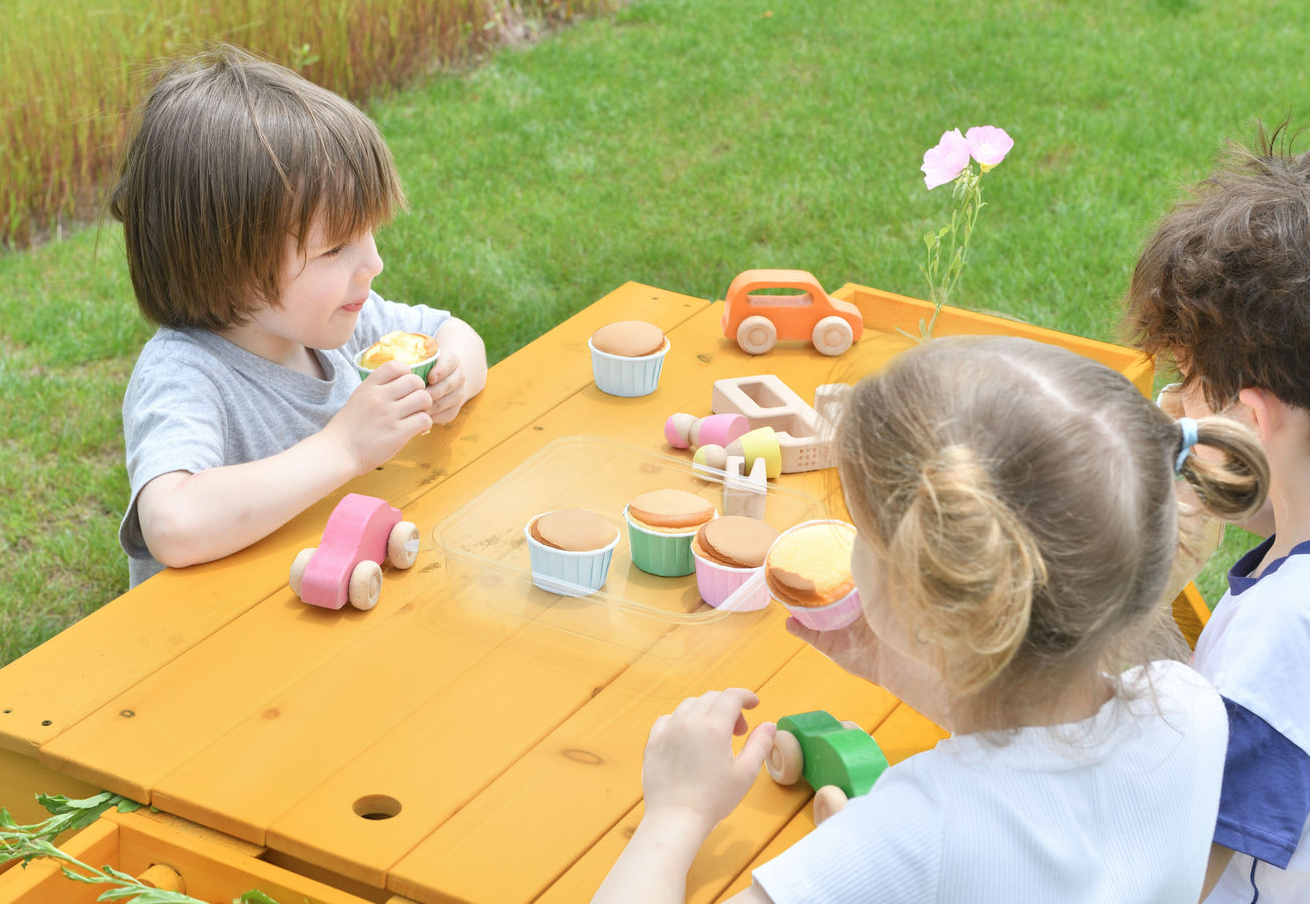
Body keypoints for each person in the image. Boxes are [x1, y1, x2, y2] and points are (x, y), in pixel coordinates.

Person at [593, 336, 1269, 903]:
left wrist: (676, 812)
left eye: (864, 530)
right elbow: (1039, 775)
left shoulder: (914, 830)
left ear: (935, 593)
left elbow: (953, 829)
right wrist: (909, 667)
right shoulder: (1189, 711)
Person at [110, 44, 487, 587]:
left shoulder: (342, 327)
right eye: (336, 249)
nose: (374, 263)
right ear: (229, 265)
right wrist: (344, 447)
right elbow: (174, 524)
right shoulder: (184, 375)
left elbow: (454, 333)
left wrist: (453, 372)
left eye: (370, 233)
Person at [1124, 123, 1310, 902]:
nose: (1171, 405)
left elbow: (1164, 881)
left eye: (1188, 380)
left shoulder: (1282, 634)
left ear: (1247, 420)